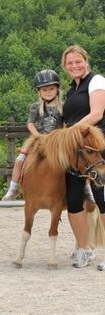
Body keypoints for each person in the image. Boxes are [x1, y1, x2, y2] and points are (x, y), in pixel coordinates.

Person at [59, 45, 105, 269]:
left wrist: (69, 133)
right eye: (70, 63)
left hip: (96, 147)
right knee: (74, 200)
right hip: (75, 152)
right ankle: (84, 249)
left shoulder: (97, 81)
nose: (74, 66)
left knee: (103, 200)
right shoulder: (70, 91)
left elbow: (97, 113)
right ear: (64, 66)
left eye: (78, 61)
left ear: (86, 61)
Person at [2, 69, 68, 200]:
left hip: (57, 140)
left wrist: (60, 136)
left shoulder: (64, 107)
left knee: (74, 160)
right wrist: (38, 136)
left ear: (57, 89)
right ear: (39, 92)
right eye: (44, 90)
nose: (48, 92)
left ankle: (85, 188)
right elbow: (30, 124)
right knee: (19, 160)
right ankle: (13, 188)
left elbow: (65, 125)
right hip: (38, 139)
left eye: (51, 89)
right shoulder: (36, 107)